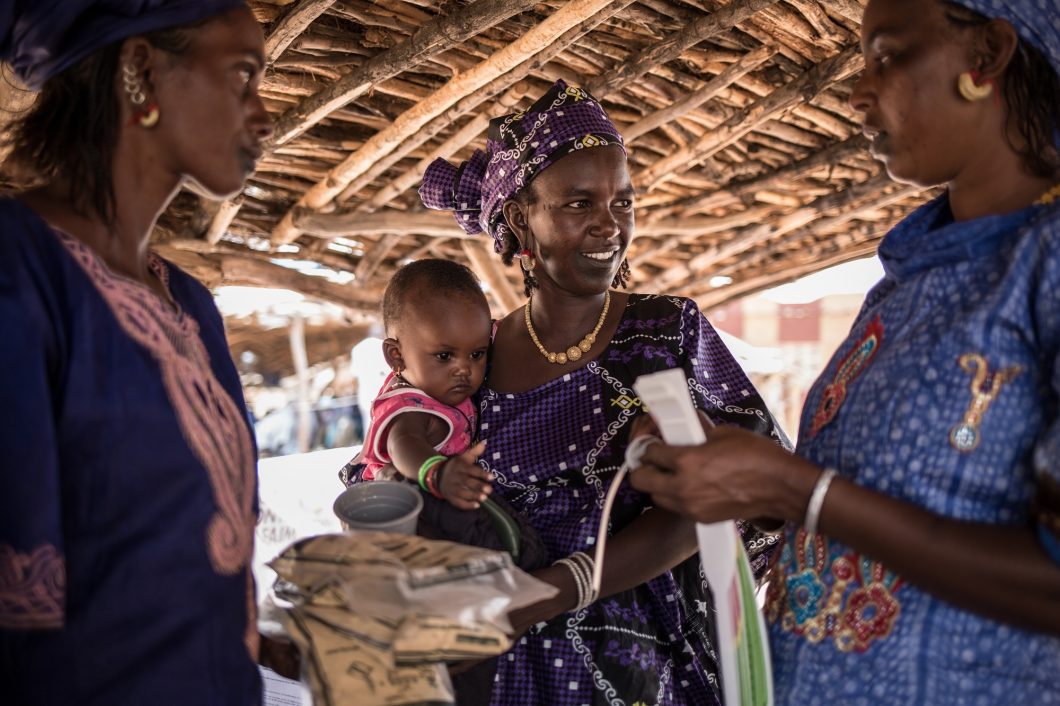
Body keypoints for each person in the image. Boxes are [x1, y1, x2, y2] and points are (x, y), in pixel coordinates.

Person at [629, 1, 1060, 704]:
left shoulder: (1046, 261)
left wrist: (797, 490)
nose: (859, 91)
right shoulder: (903, 283)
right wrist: (747, 479)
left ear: (987, 55)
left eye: (887, 57)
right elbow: (863, 505)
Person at [420, 80, 789, 705]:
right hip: (505, 669)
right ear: (520, 219)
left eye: (623, 201)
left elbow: (736, 493)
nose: (608, 224)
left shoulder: (666, 331)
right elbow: (405, 481)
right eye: (578, 203)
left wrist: (553, 592)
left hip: (651, 667)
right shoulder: (469, 362)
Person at [0, 2, 273, 704]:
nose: (264, 115)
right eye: (243, 75)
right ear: (141, 68)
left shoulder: (193, 306)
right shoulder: (18, 270)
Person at [351, 258, 495, 510]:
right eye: (444, 356)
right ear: (397, 355)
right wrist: (438, 474)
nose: (464, 369)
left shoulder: (428, 381)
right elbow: (403, 444)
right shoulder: (409, 408)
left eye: (477, 354)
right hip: (393, 512)